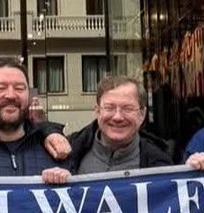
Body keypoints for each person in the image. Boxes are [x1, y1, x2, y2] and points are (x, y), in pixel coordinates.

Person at [42, 75, 172, 182]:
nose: (117, 117)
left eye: (127, 108)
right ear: (97, 111)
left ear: (142, 115)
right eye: (109, 108)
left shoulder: (164, 163)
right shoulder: (66, 153)